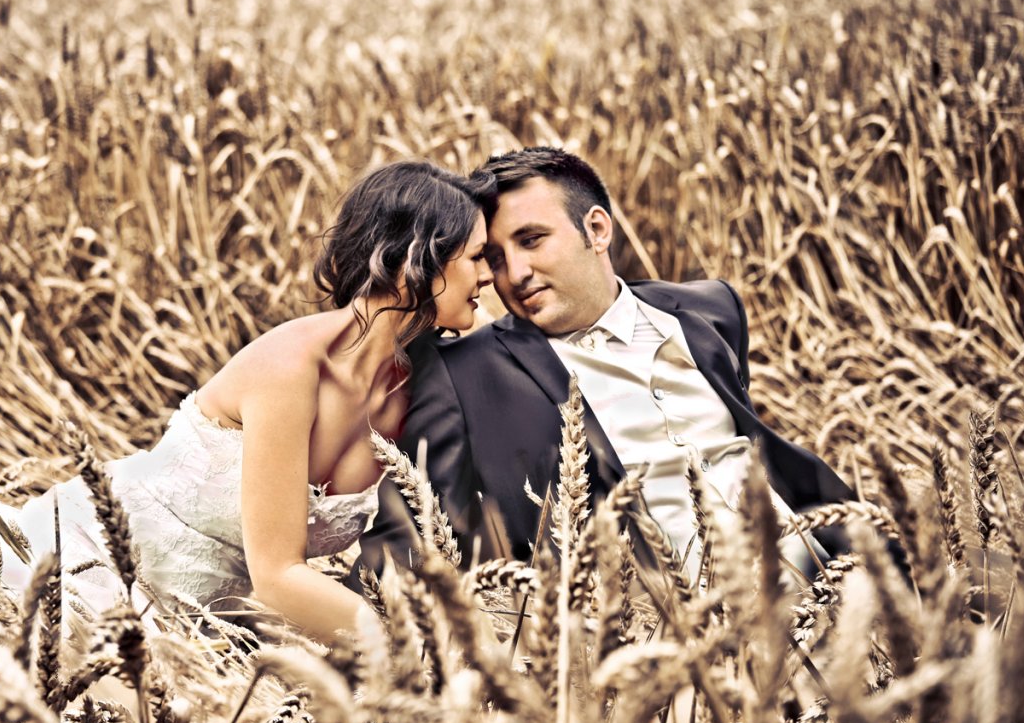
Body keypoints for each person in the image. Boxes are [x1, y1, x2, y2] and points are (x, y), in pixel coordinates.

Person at [0, 160, 493, 644]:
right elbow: (277, 577)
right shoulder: (292, 367)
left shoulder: (416, 387)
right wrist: (419, 651)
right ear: (417, 262)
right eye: (478, 258)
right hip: (91, 572)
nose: (491, 276)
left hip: (211, 629)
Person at [356, 147, 855, 583]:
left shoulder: (712, 309)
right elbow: (405, 546)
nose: (516, 273)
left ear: (596, 230)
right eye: (496, 257)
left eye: (532, 240)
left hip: (829, 590)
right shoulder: (462, 376)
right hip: (672, 638)